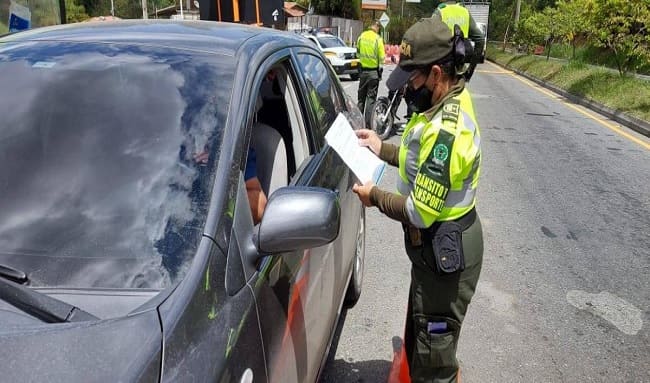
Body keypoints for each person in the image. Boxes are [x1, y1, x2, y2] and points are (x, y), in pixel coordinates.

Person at [352, 17, 483, 383]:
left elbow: (418, 213)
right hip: (435, 252)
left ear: (437, 73)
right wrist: (381, 148)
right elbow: (416, 156)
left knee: (433, 360)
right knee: (424, 334)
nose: (407, 87)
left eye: (412, 79)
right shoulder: (443, 104)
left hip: (445, 250)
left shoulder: (447, 132)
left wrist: (373, 196)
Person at [434, 0, 485, 81]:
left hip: (441, 70)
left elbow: (429, 38)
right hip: (459, 70)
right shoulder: (464, 11)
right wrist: (470, 69)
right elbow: (480, 39)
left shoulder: (440, 11)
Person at [356, 20, 385, 114]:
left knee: (361, 99)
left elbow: (357, 54)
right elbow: (382, 58)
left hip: (363, 72)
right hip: (373, 73)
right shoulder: (378, 39)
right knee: (371, 100)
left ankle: (358, 122)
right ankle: (368, 125)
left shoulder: (361, 36)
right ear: (377, 27)